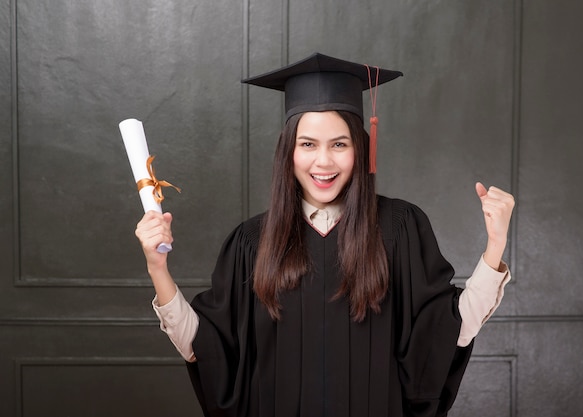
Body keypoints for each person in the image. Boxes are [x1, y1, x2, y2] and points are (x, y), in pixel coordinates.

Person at [135, 53, 515, 417]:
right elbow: (205, 349)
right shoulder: (252, 242)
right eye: (307, 145)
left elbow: (445, 337)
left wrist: (494, 247)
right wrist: (158, 267)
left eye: (339, 144)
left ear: (360, 149)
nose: (323, 162)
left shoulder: (400, 228)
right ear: (289, 152)